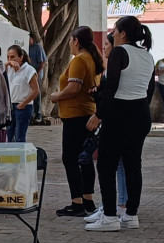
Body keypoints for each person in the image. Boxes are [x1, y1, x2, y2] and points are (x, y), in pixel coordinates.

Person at [85, 16, 155, 231]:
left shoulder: (119, 52)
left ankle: (109, 216)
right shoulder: (147, 56)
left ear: (123, 33)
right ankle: (131, 215)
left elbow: (112, 86)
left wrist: (99, 114)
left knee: (106, 165)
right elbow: (150, 89)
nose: (112, 33)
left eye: (114, 30)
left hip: (119, 114)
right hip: (141, 113)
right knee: (133, 165)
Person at [49, 26, 103, 217]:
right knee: (84, 158)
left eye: (71, 41)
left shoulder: (80, 60)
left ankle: (77, 202)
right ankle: (87, 199)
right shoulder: (93, 58)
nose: (70, 45)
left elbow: (73, 89)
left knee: (70, 158)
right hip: (87, 113)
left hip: (76, 115)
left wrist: (56, 96)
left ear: (76, 41)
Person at [84, 32, 129, 223]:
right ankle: (117, 204)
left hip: (115, 119)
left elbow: (112, 91)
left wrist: (99, 114)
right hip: (117, 118)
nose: (104, 47)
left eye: (106, 44)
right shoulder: (111, 66)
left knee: (117, 165)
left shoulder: (117, 64)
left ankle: (119, 206)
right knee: (121, 165)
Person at [4, 45, 39, 142]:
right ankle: (10, 155)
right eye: (8, 57)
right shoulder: (9, 69)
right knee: (9, 135)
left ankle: (20, 156)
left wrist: (23, 104)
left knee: (20, 136)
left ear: (20, 57)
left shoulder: (29, 70)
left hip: (23, 107)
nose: (10, 59)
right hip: (11, 106)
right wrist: (7, 64)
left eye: (12, 57)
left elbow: (35, 90)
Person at [28, 33, 47, 122]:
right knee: (30, 92)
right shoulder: (26, 48)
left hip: (37, 73)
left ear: (32, 39)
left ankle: (38, 114)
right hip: (28, 73)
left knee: (37, 92)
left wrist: (37, 73)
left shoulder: (37, 47)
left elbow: (42, 62)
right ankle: (31, 114)